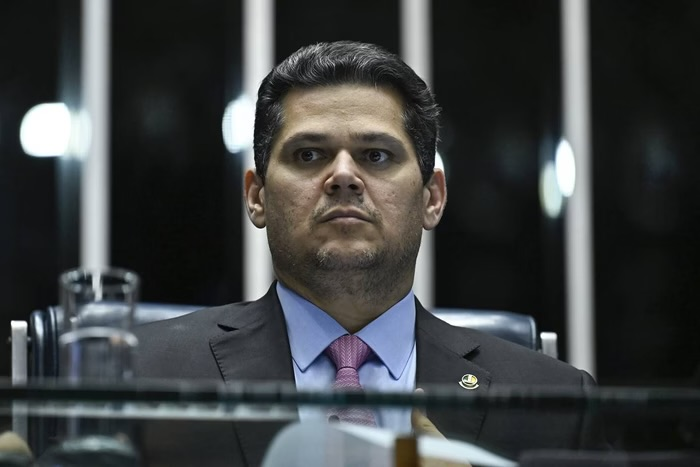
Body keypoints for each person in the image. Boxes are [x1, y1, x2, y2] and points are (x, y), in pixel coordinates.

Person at [132, 40, 599, 466]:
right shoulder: (143, 376)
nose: (343, 176)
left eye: (376, 155)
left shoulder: (557, 403)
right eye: (309, 155)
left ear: (432, 198)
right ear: (257, 197)